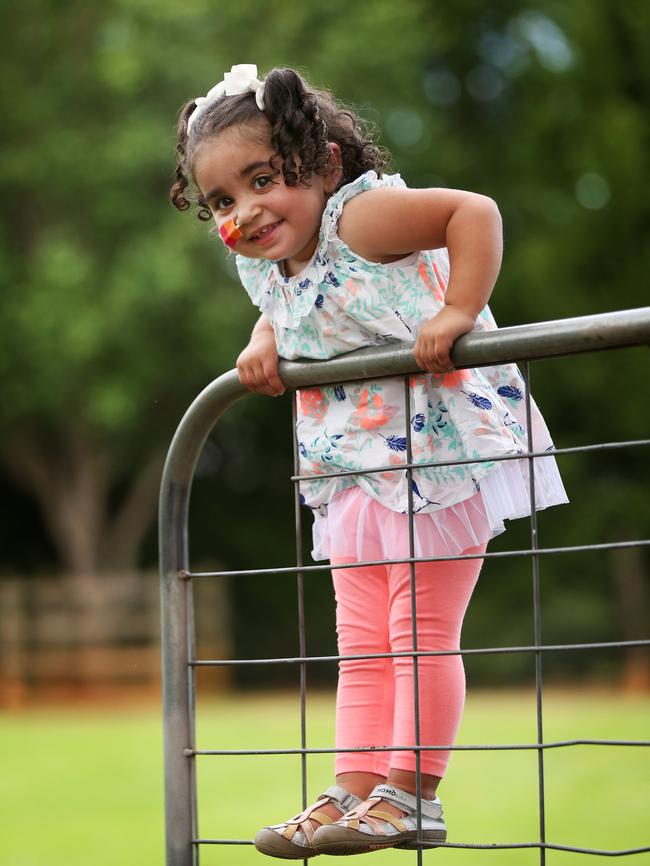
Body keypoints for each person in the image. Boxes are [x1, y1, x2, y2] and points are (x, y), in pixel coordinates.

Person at [171, 64, 569, 858]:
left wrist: (458, 310)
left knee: (417, 628)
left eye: (261, 180)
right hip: (355, 465)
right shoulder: (266, 260)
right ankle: (353, 789)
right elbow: (290, 309)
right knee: (359, 639)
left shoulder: (363, 219)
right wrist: (262, 339)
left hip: (443, 449)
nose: (245, 212)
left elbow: (473, 212)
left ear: (320, 164)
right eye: (222, 200)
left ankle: (413, 795)